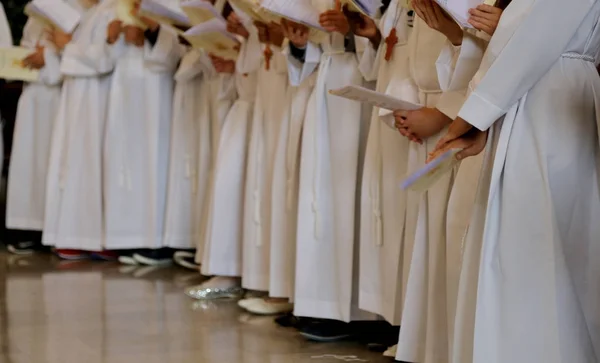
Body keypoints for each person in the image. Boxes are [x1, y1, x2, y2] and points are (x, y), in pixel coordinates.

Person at [429, 0, 600, 361]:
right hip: (530, 92)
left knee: (538, 253)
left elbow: (534, 38)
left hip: (548, 98)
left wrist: (471, 119)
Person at [391, 0, 505, 361]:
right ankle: (438, 343)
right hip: (476, 107)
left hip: (493, 110)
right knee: (445, 236)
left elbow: (521, 51)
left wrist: (450, 114)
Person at [286, 0, 377, 341]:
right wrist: (299, 44)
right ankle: (322, 303)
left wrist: (352, 31)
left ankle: (362, 312)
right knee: (321, 199)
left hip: (364, 88)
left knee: (352, 197)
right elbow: (321, 46)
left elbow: (391, 34)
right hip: (329, 82)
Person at [186, 9, 260, 300]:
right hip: (246, 102)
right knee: (230, 186)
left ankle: (246, 272)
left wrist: (246, 38)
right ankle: (229, 267)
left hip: (262, 104)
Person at [102, 6, 181, 265]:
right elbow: (105, 59)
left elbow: (176, 48)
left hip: (153, 90)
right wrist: (112, 38)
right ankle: (127, 236)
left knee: (152, 162)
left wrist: (151, 31)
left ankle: (155, 241)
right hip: (124, 88)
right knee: (124, 162)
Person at [42, 0, 118, 260]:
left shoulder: (114, 11)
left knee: (90, 165)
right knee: (74, 163)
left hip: (96, 98)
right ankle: (74, 234)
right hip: (78, 96)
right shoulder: (92, 13)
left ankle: (95, 238)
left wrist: (68, 46)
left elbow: (105, 59)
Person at [355, 0, 414, 328]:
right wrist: (376, 39)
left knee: (405, 215)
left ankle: (407, 323)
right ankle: (393, 320)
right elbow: (378, 63)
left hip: (416, 107)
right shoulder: (395, 6)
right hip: (392, 109)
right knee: (387, 210)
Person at [5, 5, 69, 255]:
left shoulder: (76, 9)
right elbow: (25, 48)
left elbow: (76, 51)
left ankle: (53, 228)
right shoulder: (36, 12)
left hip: (59, 98)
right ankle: (28, 227)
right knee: (30, 163)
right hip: (33, 96)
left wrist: (49, 59)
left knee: (52, 161)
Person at [239, 18, 291, 313]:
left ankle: (285, 289)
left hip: (293, 95)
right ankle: (271, 282)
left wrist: (288, 39)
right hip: (269, 96)